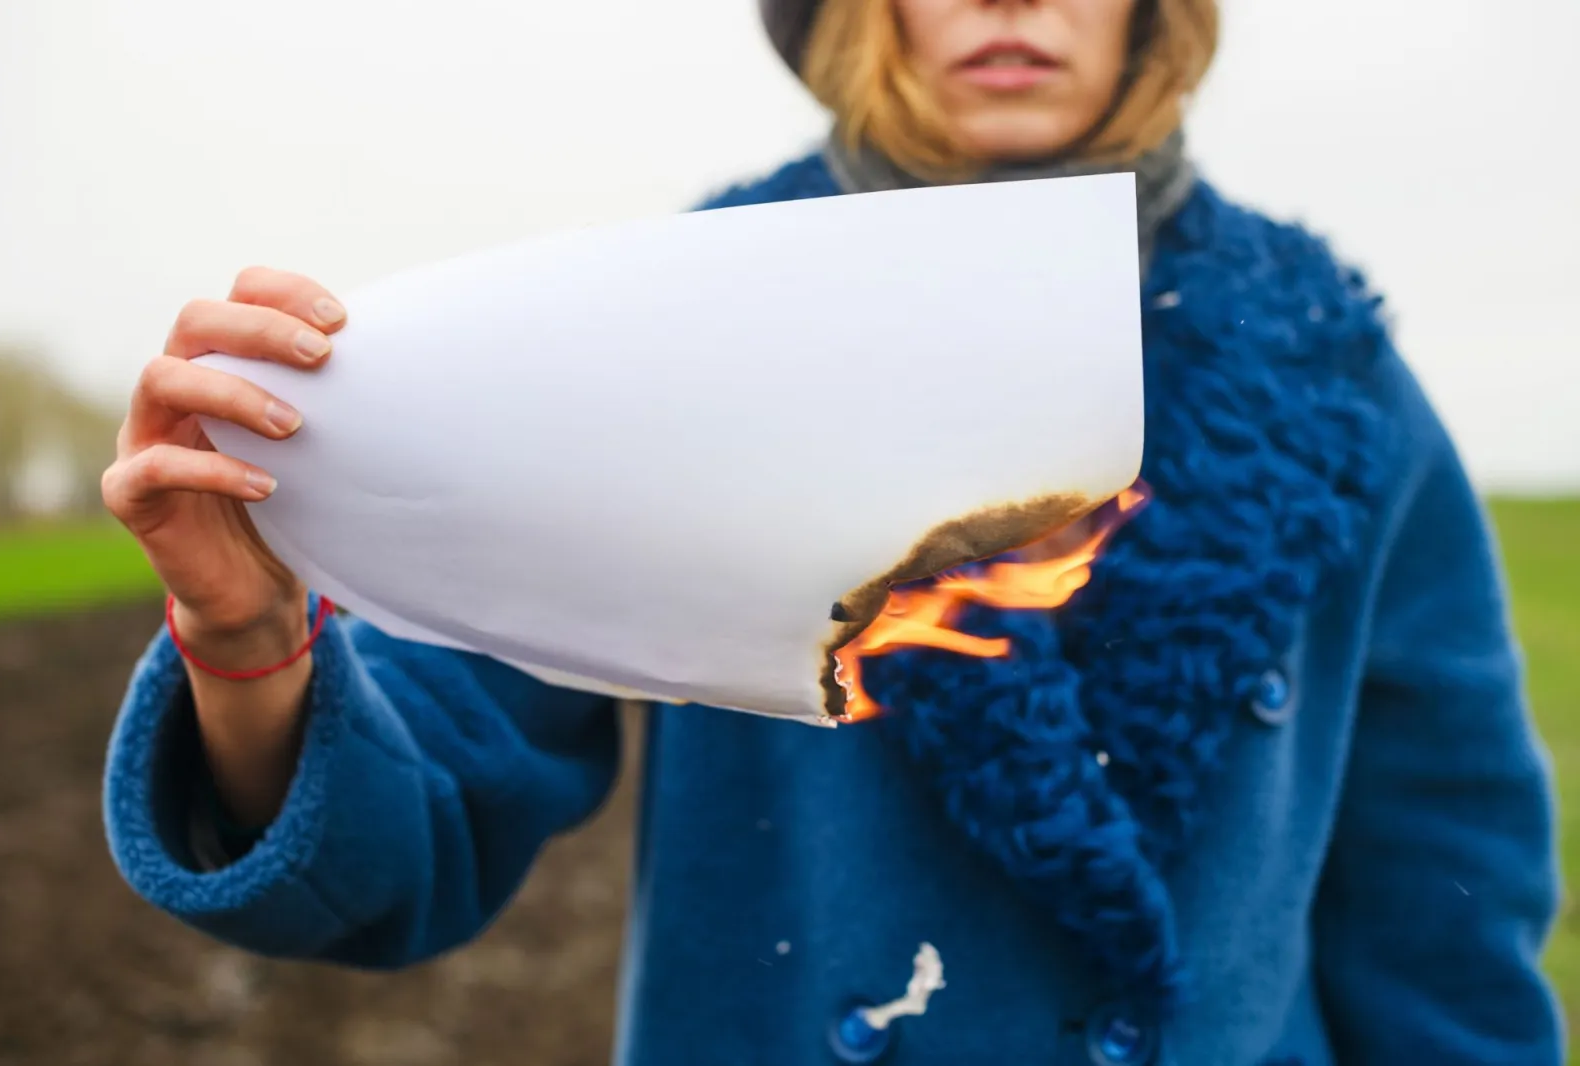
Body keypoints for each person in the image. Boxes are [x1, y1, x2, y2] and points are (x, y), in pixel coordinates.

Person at [99, 1, 1564, 1063]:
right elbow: (412, 827)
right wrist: (247, 637)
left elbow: (1448, 895)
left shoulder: (1326, 367)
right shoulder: (669, 331)